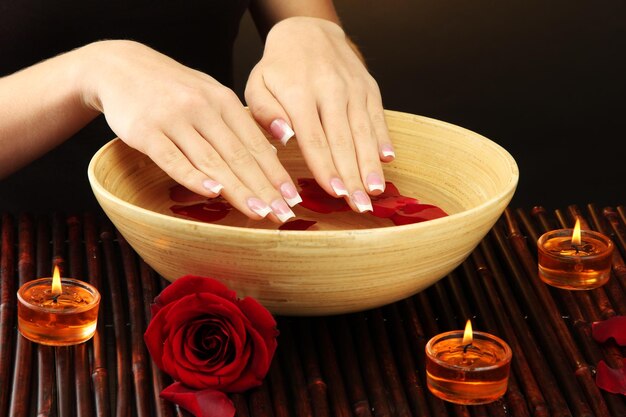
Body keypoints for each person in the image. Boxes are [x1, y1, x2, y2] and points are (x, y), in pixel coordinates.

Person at [0, 0, 394, 223]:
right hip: (29, 238)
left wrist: (314, 33)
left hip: (217, 228)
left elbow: (331, 61)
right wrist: (89, 71)